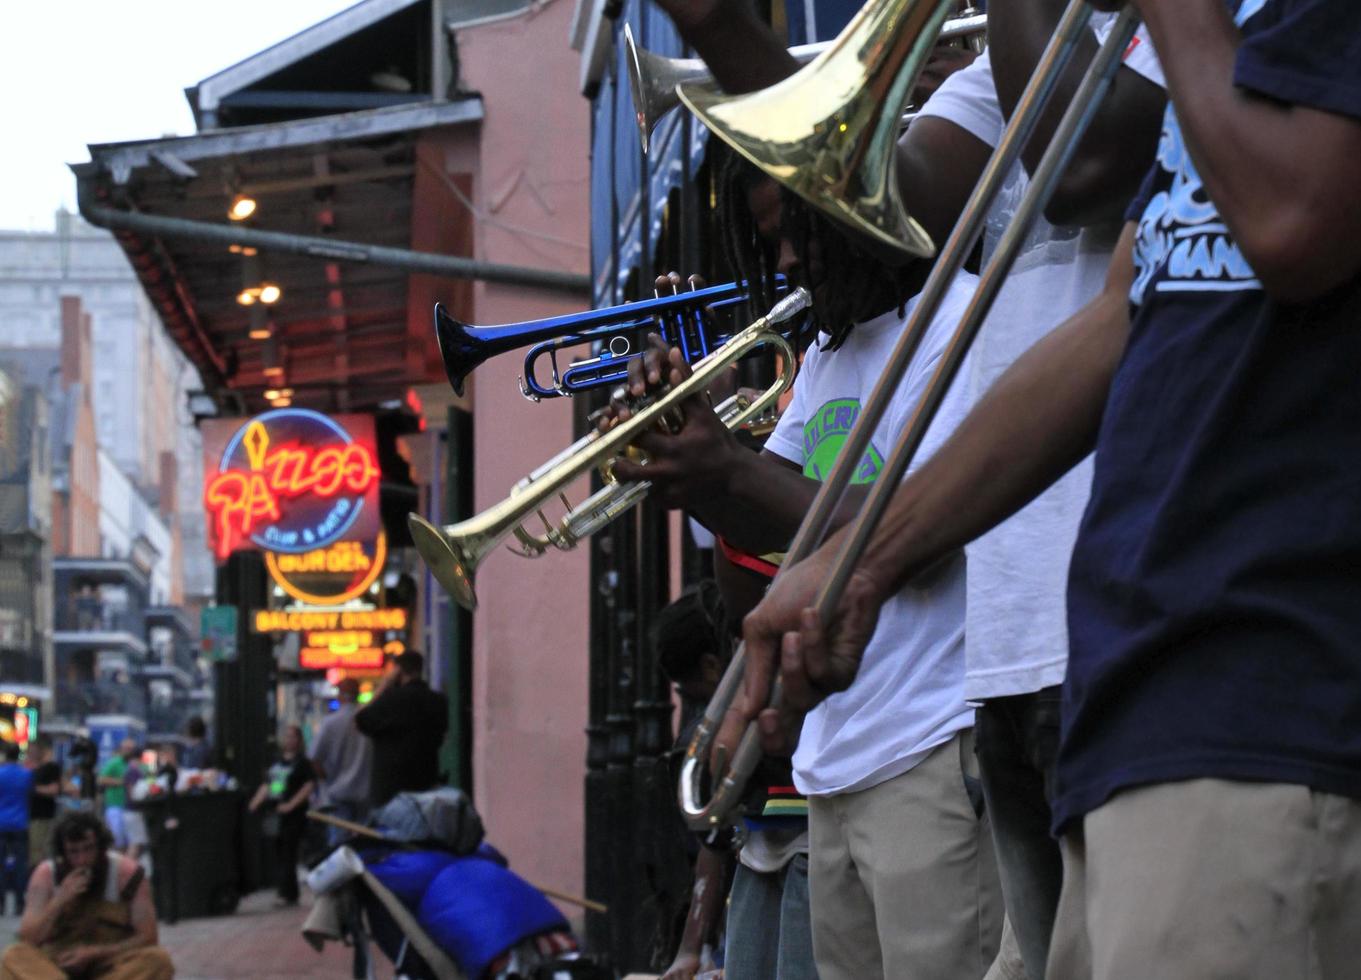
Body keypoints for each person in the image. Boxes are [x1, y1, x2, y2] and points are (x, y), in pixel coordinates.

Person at [740, 1, 1361, 976]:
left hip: (1267, 689)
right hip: (1140, 697)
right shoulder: (1236, 49)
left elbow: (1291, 219)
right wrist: (857, 562)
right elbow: (1117, 315)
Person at [651, 1, 1166, 974]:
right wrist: (720, 26)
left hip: (1125, 618)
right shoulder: (998, 76)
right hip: (1012, 648)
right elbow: (851, 198)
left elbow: (1080, 165)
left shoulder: (1175, 34)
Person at [607, 150, 1001, 978]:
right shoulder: (827, 354)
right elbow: (753, 572)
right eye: (767, 241)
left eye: (798, 234)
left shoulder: (961, 323)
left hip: (930, 742)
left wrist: (730, 469)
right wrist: (689, 462)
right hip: (836, 761)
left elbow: (925, 532)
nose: (784, 261)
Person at [0, 811, 173, 979]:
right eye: (73, 852)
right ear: (62, 854)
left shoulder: (127, 874)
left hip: (110, 966)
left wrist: (95, 953)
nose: (82, 860)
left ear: (101, 847)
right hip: (55, 968)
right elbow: (28, 938)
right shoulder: (46, 875)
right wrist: (60, 900)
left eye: (88, 849)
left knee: (158, 960)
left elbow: (148, 937)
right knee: (13, 956)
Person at [355, 652, 448, 809]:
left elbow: (360, 719)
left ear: (398, 670)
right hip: (426, 786)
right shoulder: (438, 701)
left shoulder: (391, 700)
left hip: (391, 792)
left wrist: (384, 685)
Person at [248, 724, 316, 907]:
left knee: (288, 851)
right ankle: (287, 890)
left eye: (293, 737)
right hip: (276, 812)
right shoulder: (276, 761)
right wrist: (255, 802)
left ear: (299, 740)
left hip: (294, 815)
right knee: (279, 851)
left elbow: (309, 786)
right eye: (286, 737)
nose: (289, 740)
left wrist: (291, 804)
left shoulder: (303, 763)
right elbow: (268, 784)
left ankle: (287, 892)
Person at [310, 678, 374, 846]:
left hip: (338, 792)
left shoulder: (330, 723)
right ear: (358, 694)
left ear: (340, 695)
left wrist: (327, 780)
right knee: (365, 842)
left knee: (338, 843)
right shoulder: (370, 721)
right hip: (366, 792)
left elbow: (315, 759)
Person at [0, 745, 32, 918]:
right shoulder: (26, 774)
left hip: (1, 823)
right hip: (20, 823)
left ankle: (1, 902)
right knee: (20, 864)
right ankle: (20, 903)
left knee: (1, 865)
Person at [24, 739, 62, 879]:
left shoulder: (50, 768)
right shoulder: (29, 769)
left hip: (42, 817)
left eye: (33, 750)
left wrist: (32, 789)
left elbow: (54, 790)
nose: (30, 753)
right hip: (28, 816)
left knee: (38, 854)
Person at [96, 742, 137, 853]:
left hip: (132, 807)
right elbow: (101, 779)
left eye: (131, 748)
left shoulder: (136, 764)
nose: (129, 750)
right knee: (117, 839)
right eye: (126, 748)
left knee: (132, 841)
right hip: (115, 805)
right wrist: (121, 782)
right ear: (121, 749)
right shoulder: (114, 763)